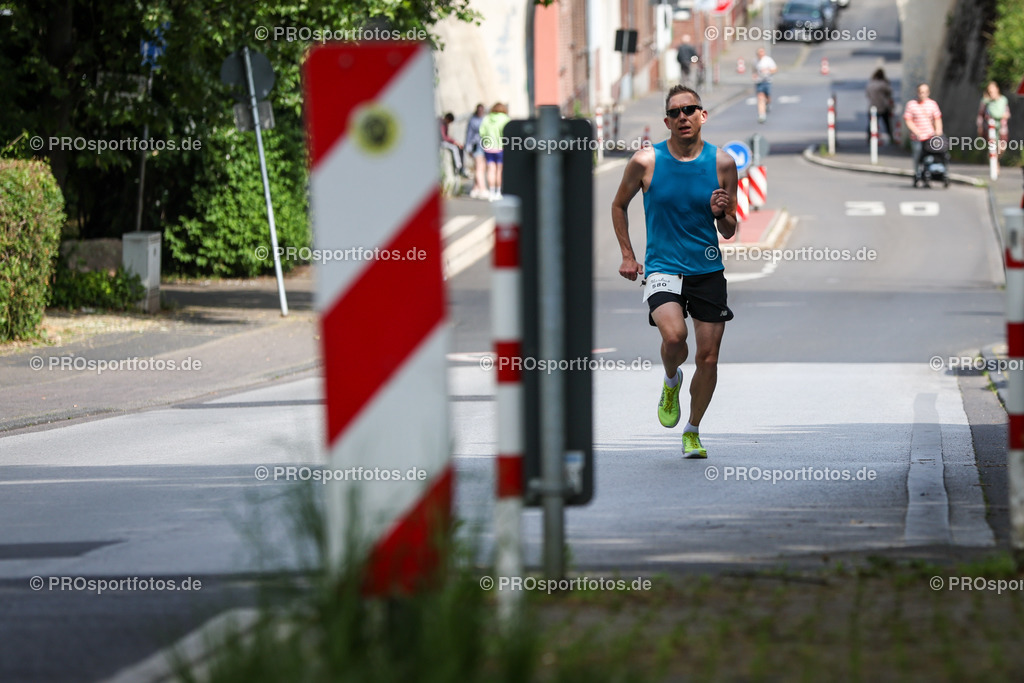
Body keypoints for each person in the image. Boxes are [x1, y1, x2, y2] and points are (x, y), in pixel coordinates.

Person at [610, 85, 738, 459]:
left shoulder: (723, 163)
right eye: (676, 112)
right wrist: (628, 255)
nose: (683, 117)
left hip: (707, 270)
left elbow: (730, 229)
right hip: (663, 268)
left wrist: (722, 214)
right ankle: (671, 380)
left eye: (690, 110)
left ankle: (693, 430)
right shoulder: (646, 161)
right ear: (667, 121)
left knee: (708, 358)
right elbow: (619, 205)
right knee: (674, 338)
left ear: (703, 116)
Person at [903, 83, 942, 187]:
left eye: (924, 92)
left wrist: (938, 130)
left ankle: (927, 176)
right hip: (917, 138)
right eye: (920, 92)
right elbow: (908, 120)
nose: (922, 94)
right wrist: (916, 132)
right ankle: (917, 174)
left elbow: (937, 118)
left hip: (929, 136)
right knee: (917, 156)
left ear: (928, 93)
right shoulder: (911, 105)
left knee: (929, 158)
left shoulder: (932, 104)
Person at [478, 103, 510, 202]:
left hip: (489, 147)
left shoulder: (486, 119)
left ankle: (491, 192)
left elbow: (481, 132)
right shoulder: (505, 119)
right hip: (501, 147)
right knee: (499, 170)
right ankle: (498, 192)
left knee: (491, 170)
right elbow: (508, 132)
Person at [865, 68, 895, 145]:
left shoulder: (870, 84)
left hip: (872, 106)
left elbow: (867, 95)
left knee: (871, 124)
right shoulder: (883, 84)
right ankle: (891, 137)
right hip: (882, 106)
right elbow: (890, 92)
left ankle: (869, 138)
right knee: (887, 123)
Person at [464, 104, 487, 198]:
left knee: (482, 168)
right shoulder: (473, 120)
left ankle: (475, 188)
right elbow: (469, 134)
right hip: (476, 145)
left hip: (486, 145)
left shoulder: (485, 119)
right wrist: (468, 147)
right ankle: (483, 189)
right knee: (478, 168)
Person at [977, 81, 1010, 147]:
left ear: (997, 89)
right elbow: (981, 115)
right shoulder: (986, 102)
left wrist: (1001, 116)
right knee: (992, 150)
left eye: (992, 91)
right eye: (990, 91)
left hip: (1002, 129)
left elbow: (1007, 114)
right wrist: (980, 127)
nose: (991, 93)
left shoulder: (1003, 100)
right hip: (989, 130)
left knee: (1001, 148)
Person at [753, 48, 777, 124]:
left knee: (767, 97)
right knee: (760, 97)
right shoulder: (755, 61)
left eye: (762, 52)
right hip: (759, 81)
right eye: (759, 53)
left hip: (767, 81)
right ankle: (762, 115)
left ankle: (768, 104)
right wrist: (754, 76)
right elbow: (754, 70)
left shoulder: (768, 60)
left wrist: (768, 71)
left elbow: (775, 69)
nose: (761, 54)